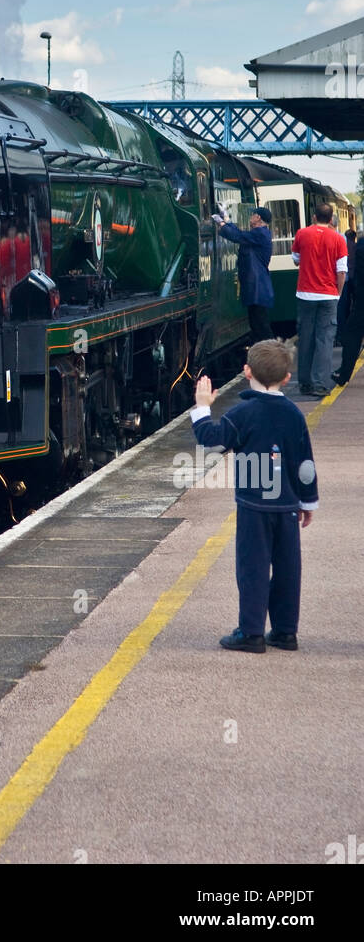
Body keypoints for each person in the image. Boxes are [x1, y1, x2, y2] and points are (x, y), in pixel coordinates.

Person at [191, 340, 318, 653]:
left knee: (253, 568)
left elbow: (212, 442)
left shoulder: (243, 412)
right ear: (287, 378)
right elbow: (305, 462)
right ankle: (286, 631)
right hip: (287, 505)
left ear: (247, 372)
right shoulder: (294, 415)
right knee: (288, 568)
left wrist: (203, 407)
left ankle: (251, 632)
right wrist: (307, 501)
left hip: (253, 507)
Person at [292, 202, 348, 396]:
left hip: (305, 294)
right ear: (331, 219)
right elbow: (341, 272)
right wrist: (338, 294)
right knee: (324, 339)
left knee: (306, 338)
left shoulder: (302, 234)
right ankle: (320, 384)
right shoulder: (339, 239)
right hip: (328, 295)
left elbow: (296, 259)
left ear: (314, 217)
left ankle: (304, 383)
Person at [211, 204, 274, 343]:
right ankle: (266, 357)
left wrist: (221, 222)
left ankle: (273, 358)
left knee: (261, 327)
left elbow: (237, 236)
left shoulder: (260, 234)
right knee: (257, 326)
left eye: (252, 215)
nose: (250, 217)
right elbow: (240, 235)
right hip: (256, 287)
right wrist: (227, 221)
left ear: (258, 217)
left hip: (257, 287)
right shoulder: (258, 234)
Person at [334, 229, 364, 385]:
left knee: (351, 336)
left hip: (362, 304)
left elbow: (357, 277)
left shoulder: (361, 247)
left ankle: (344, 374)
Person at [336, 228, 357, 340]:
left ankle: (340, 334)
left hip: (343, 280)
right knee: (347, 306)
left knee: (342, 307)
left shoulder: (344, 243)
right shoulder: (355, 246)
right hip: (349, 280)